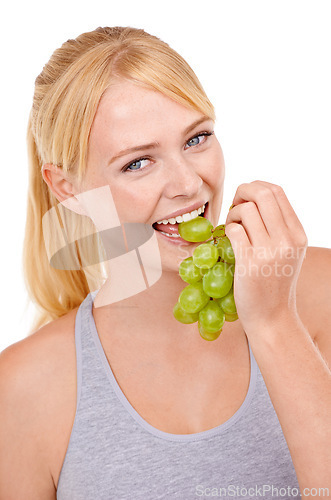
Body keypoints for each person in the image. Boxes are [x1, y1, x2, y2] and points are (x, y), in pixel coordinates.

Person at [0, 26, 330, 500]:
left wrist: (277, 325)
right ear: (69, 189)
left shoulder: (320, 295)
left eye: (197, 139)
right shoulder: (24, 388)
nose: (188, 184)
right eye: (138, 163)